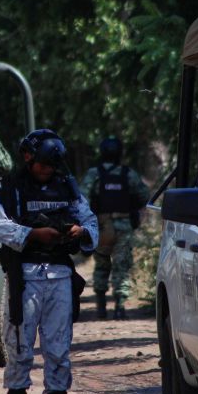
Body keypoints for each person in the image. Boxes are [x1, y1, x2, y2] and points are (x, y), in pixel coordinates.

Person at [0, 129, 98, 394]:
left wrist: (80, 232)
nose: (47, 171)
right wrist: (32, 235)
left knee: (58, 349)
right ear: (28, 158)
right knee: (20, 346)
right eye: (42, 165)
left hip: (60, 275)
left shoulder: (66, 186)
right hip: (25, 277)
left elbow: (90, 221)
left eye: (52, 166)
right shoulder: (13, 187)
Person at [80, 136, 150, 320]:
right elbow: (144, 195)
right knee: (121, 267)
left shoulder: (93, 174)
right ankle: (119, 307)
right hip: (124, 226)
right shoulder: (129, 174)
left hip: (102, 227)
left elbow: (82, 199)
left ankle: (101, 307)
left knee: (101, 265)